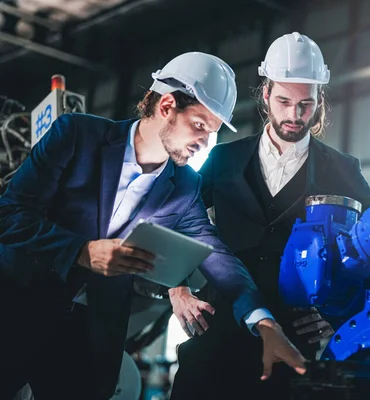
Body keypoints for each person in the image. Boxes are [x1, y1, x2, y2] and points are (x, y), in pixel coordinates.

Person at [0, 52, 305, 400]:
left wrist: (265, 323)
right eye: (200, 126)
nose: (205, 143)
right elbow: (9, 214)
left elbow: (219, 258)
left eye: (213, 133)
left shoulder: (185, 185)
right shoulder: (77, 136)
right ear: (166, 106)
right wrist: (81, 252)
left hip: (88, 337)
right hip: (18, 312)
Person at [170, 32, 370, 399]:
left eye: (305, 104)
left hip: (294, 336)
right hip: (219, 323)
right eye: (284, 101)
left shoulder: (344, 170)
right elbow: (176, 217)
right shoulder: (224, 160)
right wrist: (177, 286)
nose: (294, 115)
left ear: (319, 101)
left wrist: (337, 315)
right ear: (266, 95)